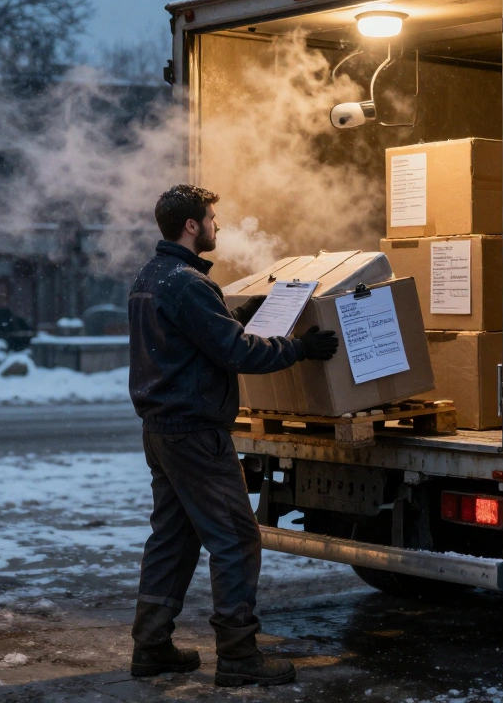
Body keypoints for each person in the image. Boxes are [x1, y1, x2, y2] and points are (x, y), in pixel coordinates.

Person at [126, 184, 339, 687]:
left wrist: (234, 318)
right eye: (213, 218)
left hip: (161, 430)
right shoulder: (188, 283)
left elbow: (194, 340)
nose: (218, 225)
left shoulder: (152, 276)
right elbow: (237, 354)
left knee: (173, 540)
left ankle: (151, 645)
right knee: (236, 539)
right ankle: (240, 656)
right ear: (192, 226)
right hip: (196, 434)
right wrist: (300, 348)